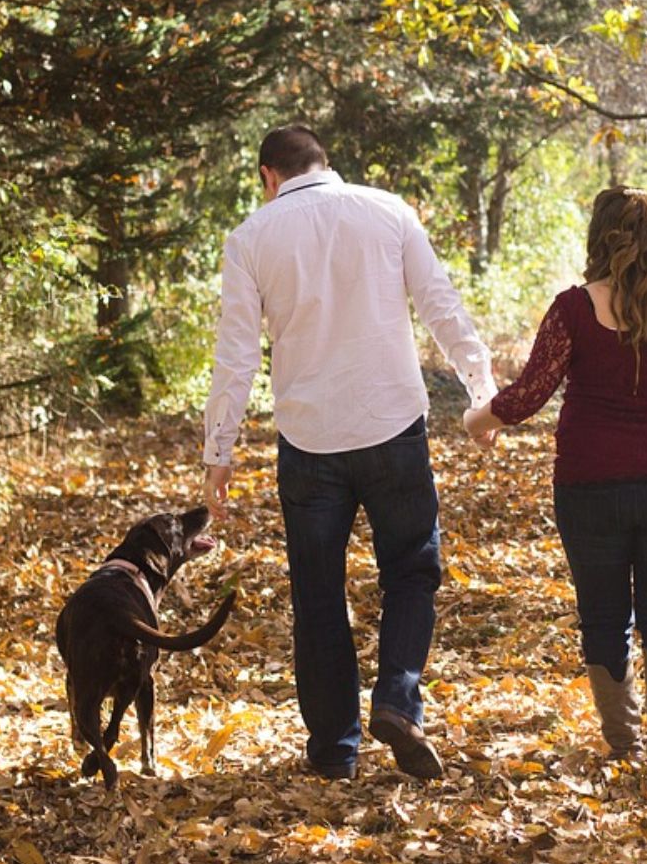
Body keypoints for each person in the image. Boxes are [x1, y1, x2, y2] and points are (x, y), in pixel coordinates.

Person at [201, 124, 496, 781]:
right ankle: (397, 697)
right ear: (323, 163)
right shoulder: (388, 211)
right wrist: (484, 391)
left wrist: (218, 449)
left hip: (309, 443)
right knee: (412, 570)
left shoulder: (251, 238)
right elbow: (441, 307)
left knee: (317, 594)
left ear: (266, 175)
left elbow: (237, 354)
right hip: (392, 427)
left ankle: (335, 751)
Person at [463, 186, 647, 779]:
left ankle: (624, 742)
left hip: (591, 483)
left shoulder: (574, 309)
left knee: (604, 615)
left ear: (599, 237)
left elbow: (530, 394)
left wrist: (475, 419)